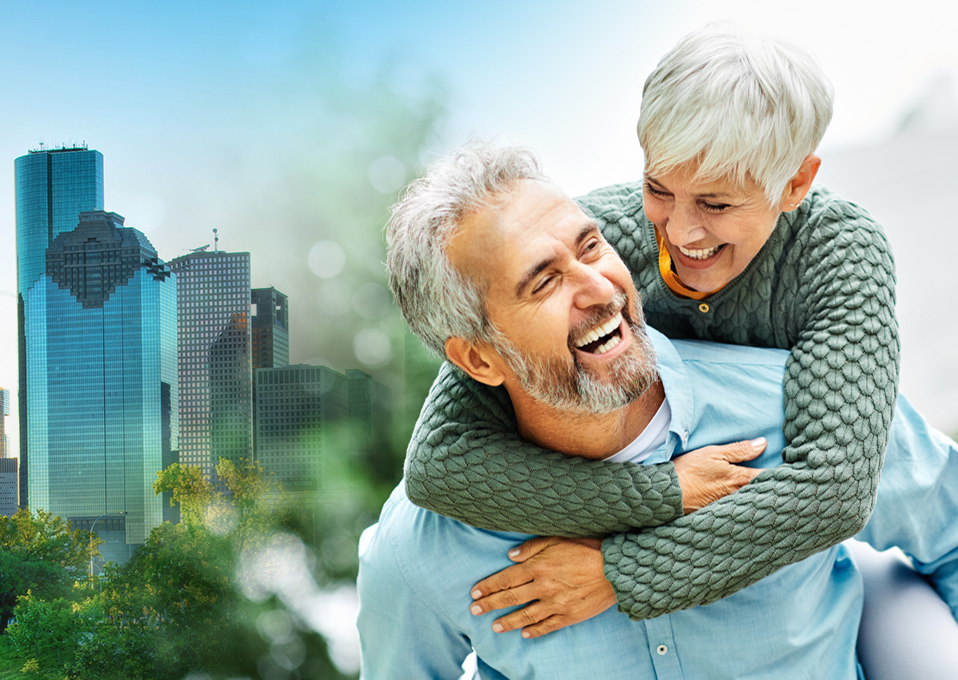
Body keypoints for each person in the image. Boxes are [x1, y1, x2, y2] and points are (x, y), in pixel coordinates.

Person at [358, 142, 958, 679]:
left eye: (591, 246)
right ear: (479, 360)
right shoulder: (422, 549)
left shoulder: (802, 412)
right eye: (543, 283)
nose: (598, 288)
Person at [400, 23, 898, 627]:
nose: (681, 233)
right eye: (659, 188)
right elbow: (440, 462)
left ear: (795, 182)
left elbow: (833, 492)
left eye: (716, 204)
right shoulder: (596, 240)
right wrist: (662, 493)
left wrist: (619, 570)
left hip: (847, 564)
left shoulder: (838, 252)